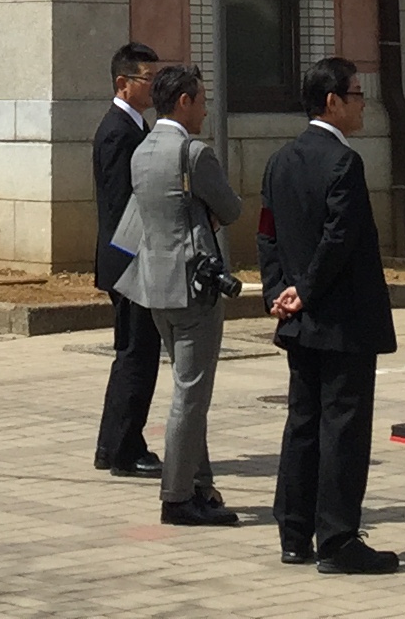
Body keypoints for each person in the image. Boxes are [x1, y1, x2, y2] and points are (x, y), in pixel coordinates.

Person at [260, 54, 400, 576]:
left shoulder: (280, 161)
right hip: (340, 320)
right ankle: (338, 538)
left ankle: (294, 531)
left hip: (299, 319)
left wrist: (280, 291)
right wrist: (305, 291)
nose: (363, 104)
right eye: (357, 95)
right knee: (343, 427)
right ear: (332, 101)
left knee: (303, 422)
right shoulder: (344, 163)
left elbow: (266, 233)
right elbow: (340, 240)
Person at [112, 63, 245, 526]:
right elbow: (231, 207)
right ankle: (177, 495)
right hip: (194, 287)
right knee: (190, 395)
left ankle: (199, 484)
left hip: (153, 287)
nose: (206, 110)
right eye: (202, 101)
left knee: (190, 389)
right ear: (184, 102)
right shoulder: (193, 153)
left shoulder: (143, 150)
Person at [93, 39, 166, 476]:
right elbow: (123, 204)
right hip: (129, 261)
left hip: (133, 261)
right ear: (124, 84)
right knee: (136, 356)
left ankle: (117, 444)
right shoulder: (118, 132)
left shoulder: (136, 126)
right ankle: (121, 450)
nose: (154, 88)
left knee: (137, 355)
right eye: (148, 80)